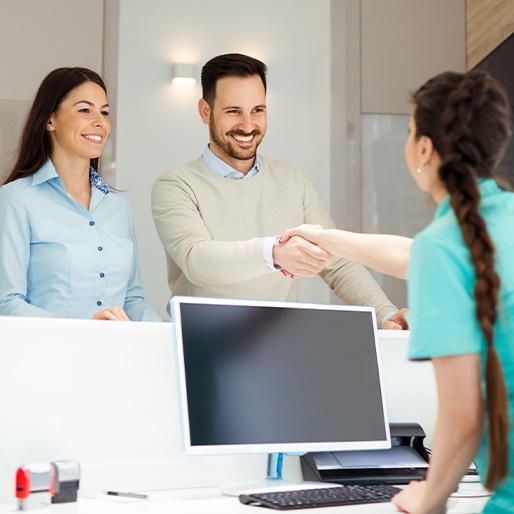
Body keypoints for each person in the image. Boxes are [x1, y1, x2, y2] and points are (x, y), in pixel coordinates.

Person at [284, 69, 514, 513]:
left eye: (410, 132)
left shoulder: (446, 246)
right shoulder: (483, 230)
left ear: (424, 149)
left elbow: (464, 416)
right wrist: (330, 238)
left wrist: (428, 494)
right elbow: (414, 255)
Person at [151, 53, 406, 329]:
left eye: (257, 110)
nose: (248, 126)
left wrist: (384, 313)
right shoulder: (175, 185)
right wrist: (273, 253)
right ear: (205, 111)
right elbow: (198, 261)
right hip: (200, 345)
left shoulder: (294, 180)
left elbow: (337, 263)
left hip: (277, 345)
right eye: (233, 111)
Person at [0, 67, 161, 322]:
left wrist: (167, 336)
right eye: (85, 110)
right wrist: (83, 332)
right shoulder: (16, 199)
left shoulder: (119, 207)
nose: (101, 122)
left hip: (115, 357)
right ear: (50, 120)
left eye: (104, 112)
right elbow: (6, 302)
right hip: (45, 357)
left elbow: (131, 300)